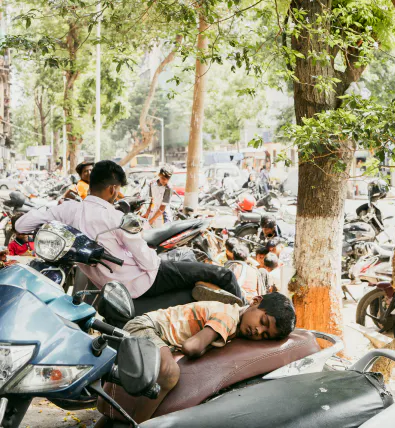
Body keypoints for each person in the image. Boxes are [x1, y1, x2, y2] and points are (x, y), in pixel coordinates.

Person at [16, 160, 243, 305]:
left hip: (110, 289)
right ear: (113, 189)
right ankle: (242, 313)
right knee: (224, 275)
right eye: (119, 190)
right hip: (142, 282)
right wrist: (160, 262)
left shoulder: (67, 210)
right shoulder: (115, 218)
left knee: (185, 264)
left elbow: (21, 226)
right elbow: (148, 262)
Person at [124, 292, 296, 422]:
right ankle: (138, 422)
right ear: (256, 301)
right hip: (146, 328)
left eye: (265, 336)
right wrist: (204, 349)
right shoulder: (228, 317)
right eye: (263, 322)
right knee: (169, 373)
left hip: (158, 338)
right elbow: (191, 347)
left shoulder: (237, 322)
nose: (258, 331)